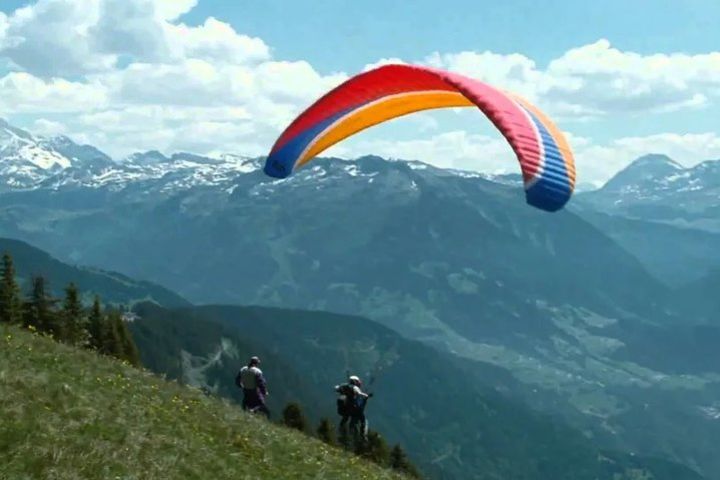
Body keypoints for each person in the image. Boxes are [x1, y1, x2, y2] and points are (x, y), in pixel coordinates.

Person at [335, 375, 372, 442]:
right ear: (355, 382)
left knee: (345, 419)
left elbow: (336, 388)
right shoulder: (355, 387)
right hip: (354, 409)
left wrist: (341, 390)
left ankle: (342, 432)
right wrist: (366, 396)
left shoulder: (344, 386)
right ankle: (362, 437)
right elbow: (359, 393)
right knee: (363, 421)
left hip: (346, 408)